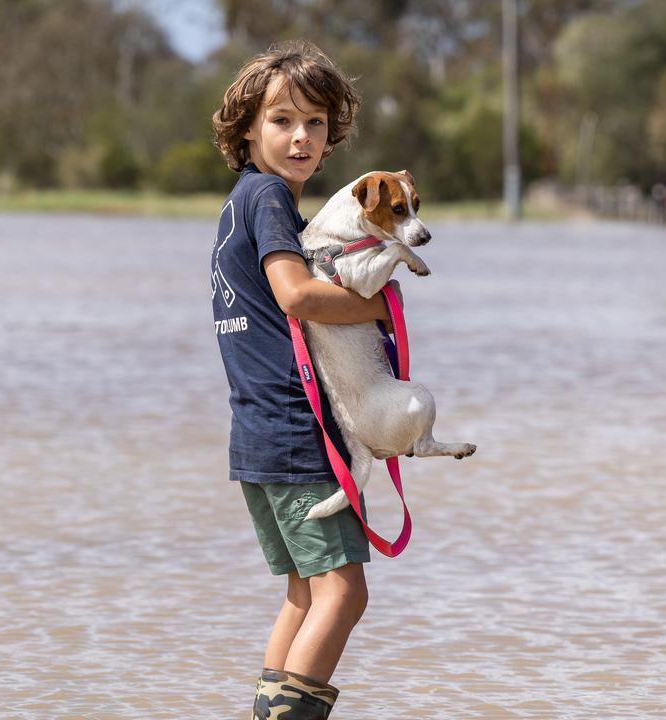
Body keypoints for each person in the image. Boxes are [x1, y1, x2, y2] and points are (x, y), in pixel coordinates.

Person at [210, 40, 389, 719]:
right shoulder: (271, 201)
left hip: (258, 437)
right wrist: (377, 307)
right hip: (295, 433)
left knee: (304, 593)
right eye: (282, 120)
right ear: (248, 128)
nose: (301, 137)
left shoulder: (240, 201)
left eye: (316, 122)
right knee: (343, 594)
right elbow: (296, 295)